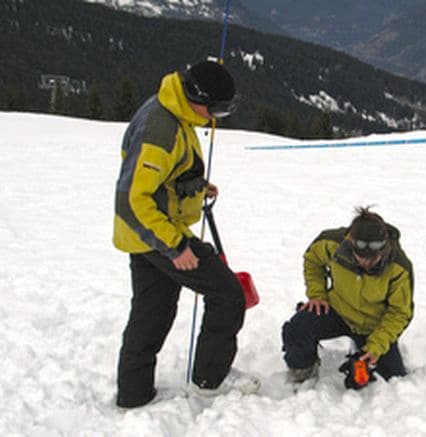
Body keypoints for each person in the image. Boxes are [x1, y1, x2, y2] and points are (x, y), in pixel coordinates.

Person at [113, 60, 256, 408]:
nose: (216, 118)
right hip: (159, 236)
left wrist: (194, 187)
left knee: (152, 313)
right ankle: (210, 380)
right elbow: (132, 200)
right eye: (217, 109)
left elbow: (163, 176)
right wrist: (176, 247)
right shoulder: (160, 129)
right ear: (196, 96)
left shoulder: (174, 110)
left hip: (147, 236)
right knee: (227, 294)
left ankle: (134, 395)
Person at [282, 207, 414, 386]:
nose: (366, 263)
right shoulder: (331, 243)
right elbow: (312, 259)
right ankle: (304, 371)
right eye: (361, 257)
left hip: (373, 325)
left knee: (394, 378)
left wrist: (376, 346)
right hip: (337, 311)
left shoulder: (399, 268)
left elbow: (399, 313)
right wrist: (317, 294)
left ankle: (363, 352)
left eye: (373, 258)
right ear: (351, 242)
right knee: (297, 329)